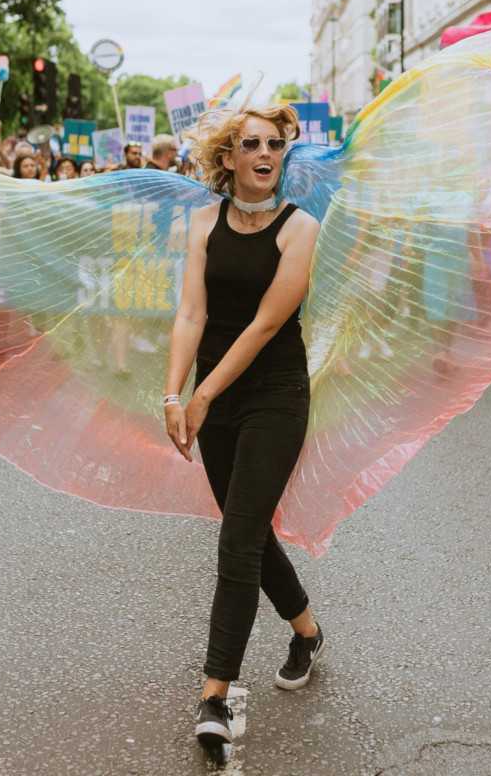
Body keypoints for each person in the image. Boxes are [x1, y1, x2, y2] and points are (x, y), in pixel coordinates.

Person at [163, 105, 323, 750]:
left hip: (275, 394)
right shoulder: (201, 223)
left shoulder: (300, 227)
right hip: (214, 396)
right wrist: (174, 393)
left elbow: (262, 326)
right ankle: (308, 630)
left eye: (275, 144)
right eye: (251, 144)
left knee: (236, 541)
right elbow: (191, 314)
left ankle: (214, 696)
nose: (265, 152)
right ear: (228, 158)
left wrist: (201, 394)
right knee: (247, 529)